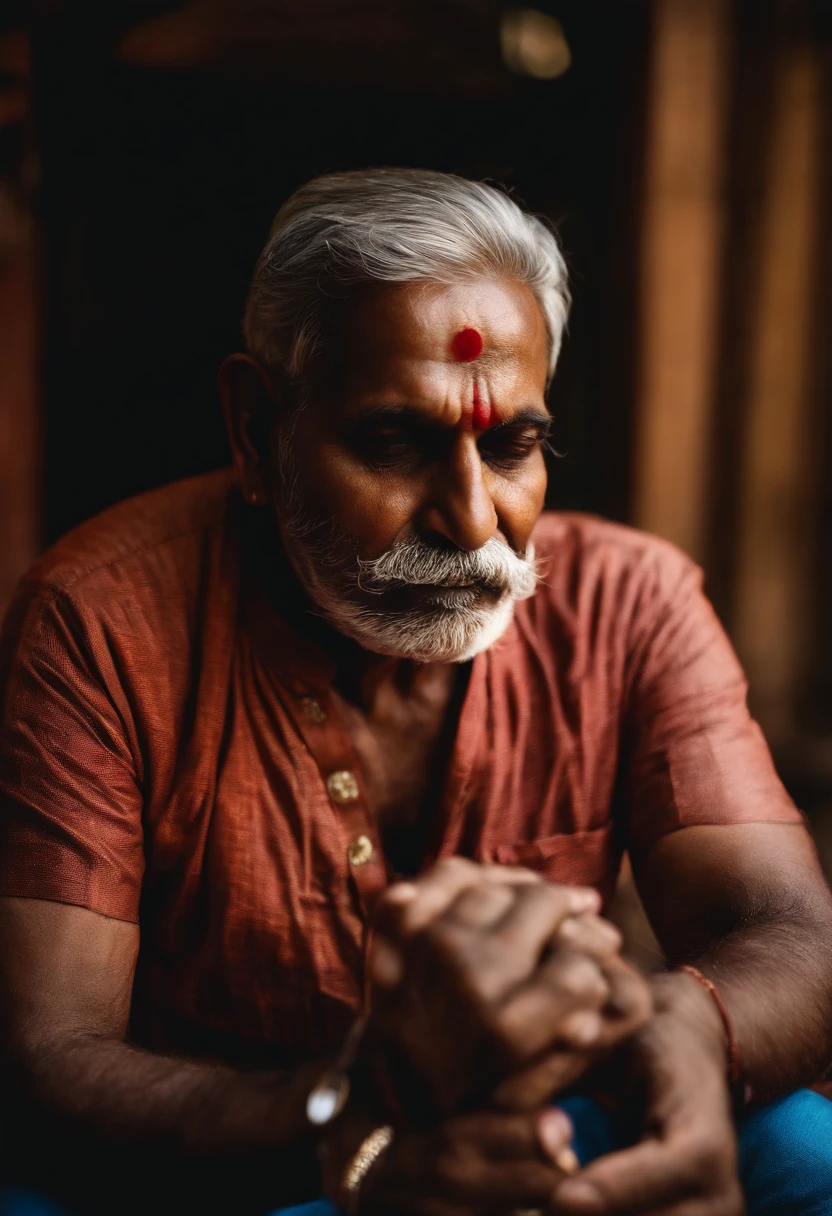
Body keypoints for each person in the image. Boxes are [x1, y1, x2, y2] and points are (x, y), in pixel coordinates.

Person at [1, 168, 832, 1216]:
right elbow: (46, 1057)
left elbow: (792, 935)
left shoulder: (631, 600)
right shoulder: (96, 619)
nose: (471, 519)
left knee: (804, 1148)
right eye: (394, 442)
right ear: (256, 432)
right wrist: (355, 1123)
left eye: (512, 444)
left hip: (548, 1111)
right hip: (245, 1162)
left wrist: (681, 1032)